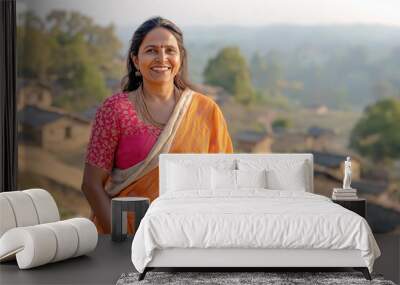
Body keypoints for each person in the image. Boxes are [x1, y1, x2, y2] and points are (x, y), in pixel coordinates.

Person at [81, 17, 233, 234]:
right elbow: (91, 185)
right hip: (128, 233)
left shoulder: (206, 110)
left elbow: (223, 182)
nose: (162, 58)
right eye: (151, 50)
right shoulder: (115, 109)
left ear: (180, 58)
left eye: (170, 50)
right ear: (135, 60)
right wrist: (124, 240)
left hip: (189, 234)